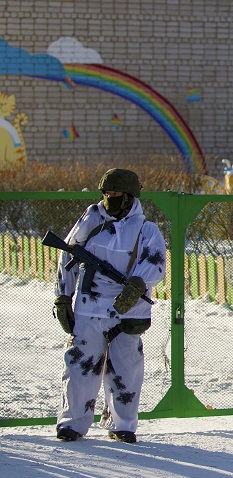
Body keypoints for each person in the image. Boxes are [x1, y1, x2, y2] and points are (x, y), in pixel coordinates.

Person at [53, 168, 166, 443]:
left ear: (129, 197)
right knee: (79, 367)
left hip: (127, 311)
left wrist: (137, 284)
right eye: (106, 193)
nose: (109, 198)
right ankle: (72, 423)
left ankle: (122, 424)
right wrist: (63, 297)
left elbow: (156, 263)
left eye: (116, 194)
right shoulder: (90, 220)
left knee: (126, 370)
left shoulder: (145, 229)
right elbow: (67, 257)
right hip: (88, 309)